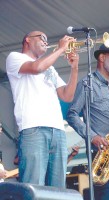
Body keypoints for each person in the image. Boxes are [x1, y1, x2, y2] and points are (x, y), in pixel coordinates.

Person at [6, 31, 79, 188]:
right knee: (35, 186)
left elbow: (67, 96)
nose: (46, 41)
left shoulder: (50, 69)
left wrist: (74, 69)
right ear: (27, 40)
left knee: (58, 189)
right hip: (34, 128)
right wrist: (60, 49)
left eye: (47, 39)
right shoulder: (15, 57)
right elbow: (37, 67)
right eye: (42, 38)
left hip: (58, 130)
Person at [66, 42, 109, 200]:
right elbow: (72, 114)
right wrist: (92, 136)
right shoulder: (87, 83)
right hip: (101, 149)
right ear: (102, 57)